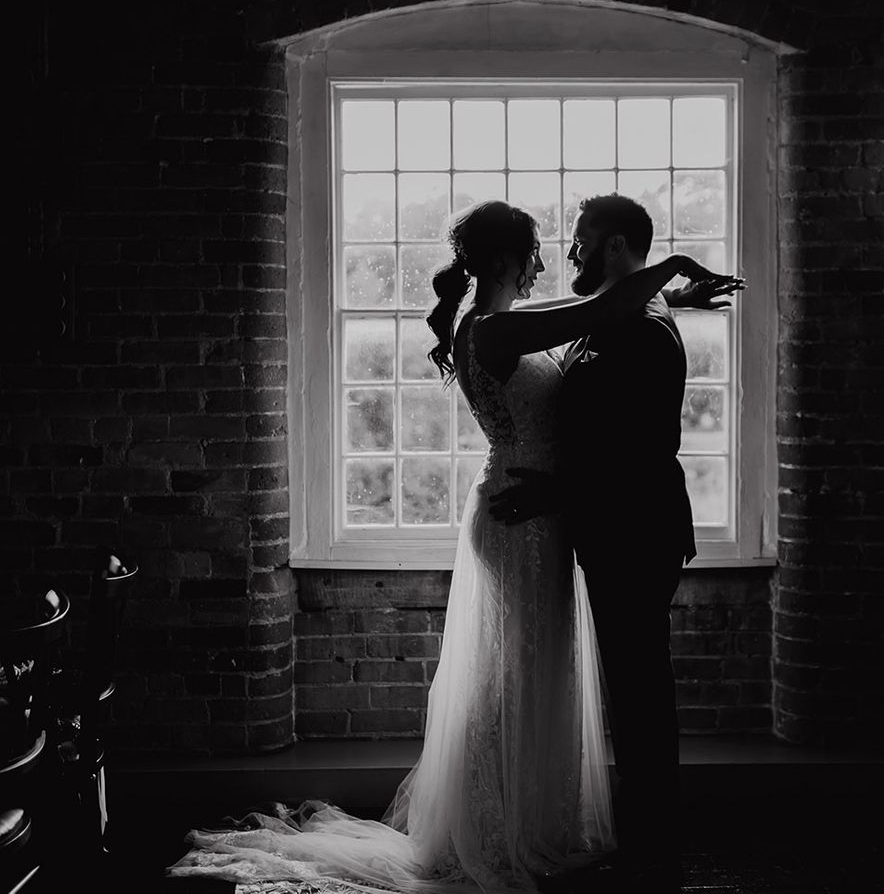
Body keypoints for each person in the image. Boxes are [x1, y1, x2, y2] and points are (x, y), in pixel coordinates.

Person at [167, 199, 740, 894]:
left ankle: (554, 821)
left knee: (546, 677)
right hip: (520, 519)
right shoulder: (496, 330)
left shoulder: (512, 322)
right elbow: (592, 312)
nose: (551, 260)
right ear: (504, 259)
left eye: (575, 243)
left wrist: (667, 292)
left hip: (559, 518)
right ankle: (502, 825)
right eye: (536, 249)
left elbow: (602, 336)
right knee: (514, 678)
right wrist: (673, 268)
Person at [487, 194, 743, 891]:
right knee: (631, 686)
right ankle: (647, 841)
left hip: (635, 529)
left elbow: (634, 450)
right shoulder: (622, 317)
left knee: (638, 692)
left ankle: (654, 851)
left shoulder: (641, 332)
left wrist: (554, 494)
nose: (570, 252)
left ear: (616, 246)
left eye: (581, 239)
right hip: (615, 528)